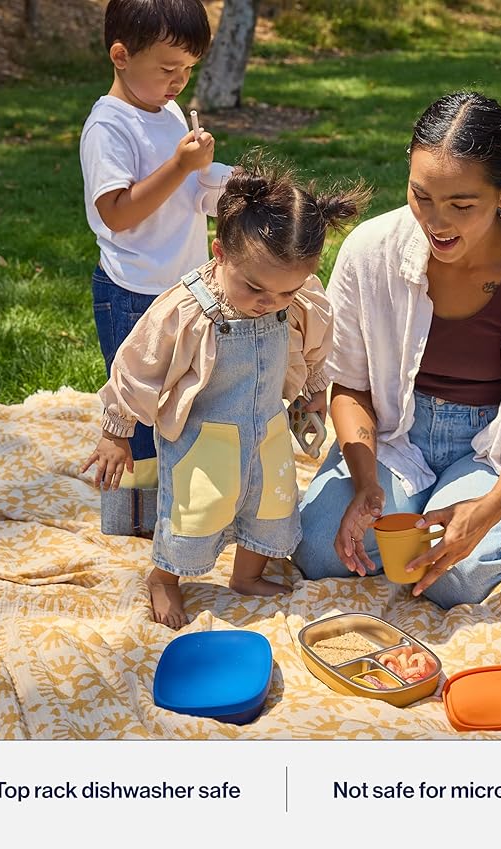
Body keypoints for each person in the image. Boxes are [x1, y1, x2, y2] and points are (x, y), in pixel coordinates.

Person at [293, 90, 501, 610]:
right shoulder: (370, 251)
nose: (436, 222)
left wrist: (483, 512)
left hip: (498, 446)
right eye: (422, 197)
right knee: (318, 547)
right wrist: (367, 483)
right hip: (398, 432)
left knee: (453, 576)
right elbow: (349, 386)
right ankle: (417, 503)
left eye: (462, 205)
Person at [80, 157, 369, 628]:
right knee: (195, 513)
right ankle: (164, 579)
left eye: (284, 293)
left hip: (266, 429)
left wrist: (314, 388)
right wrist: (116, 429)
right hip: (203, 438)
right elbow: (139, 365)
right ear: (220, 252)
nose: (269, 303)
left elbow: (315, 340)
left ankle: (246, 577)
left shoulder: (295, 299)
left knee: (271, 505)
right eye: (255, 288)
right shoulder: (188, 309)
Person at [79, 0, 233, 537]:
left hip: (184, 287)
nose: (179, 82)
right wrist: (180, 165)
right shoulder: (109, 127)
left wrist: (219, 181)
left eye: (189, 70)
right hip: (133, 292)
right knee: (136, 409)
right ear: (120, 55)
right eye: (168, 69)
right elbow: (118, 213)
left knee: (185, 399)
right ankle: (130, 526)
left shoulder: (166, 114)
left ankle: (175, 511)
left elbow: (186, 194)